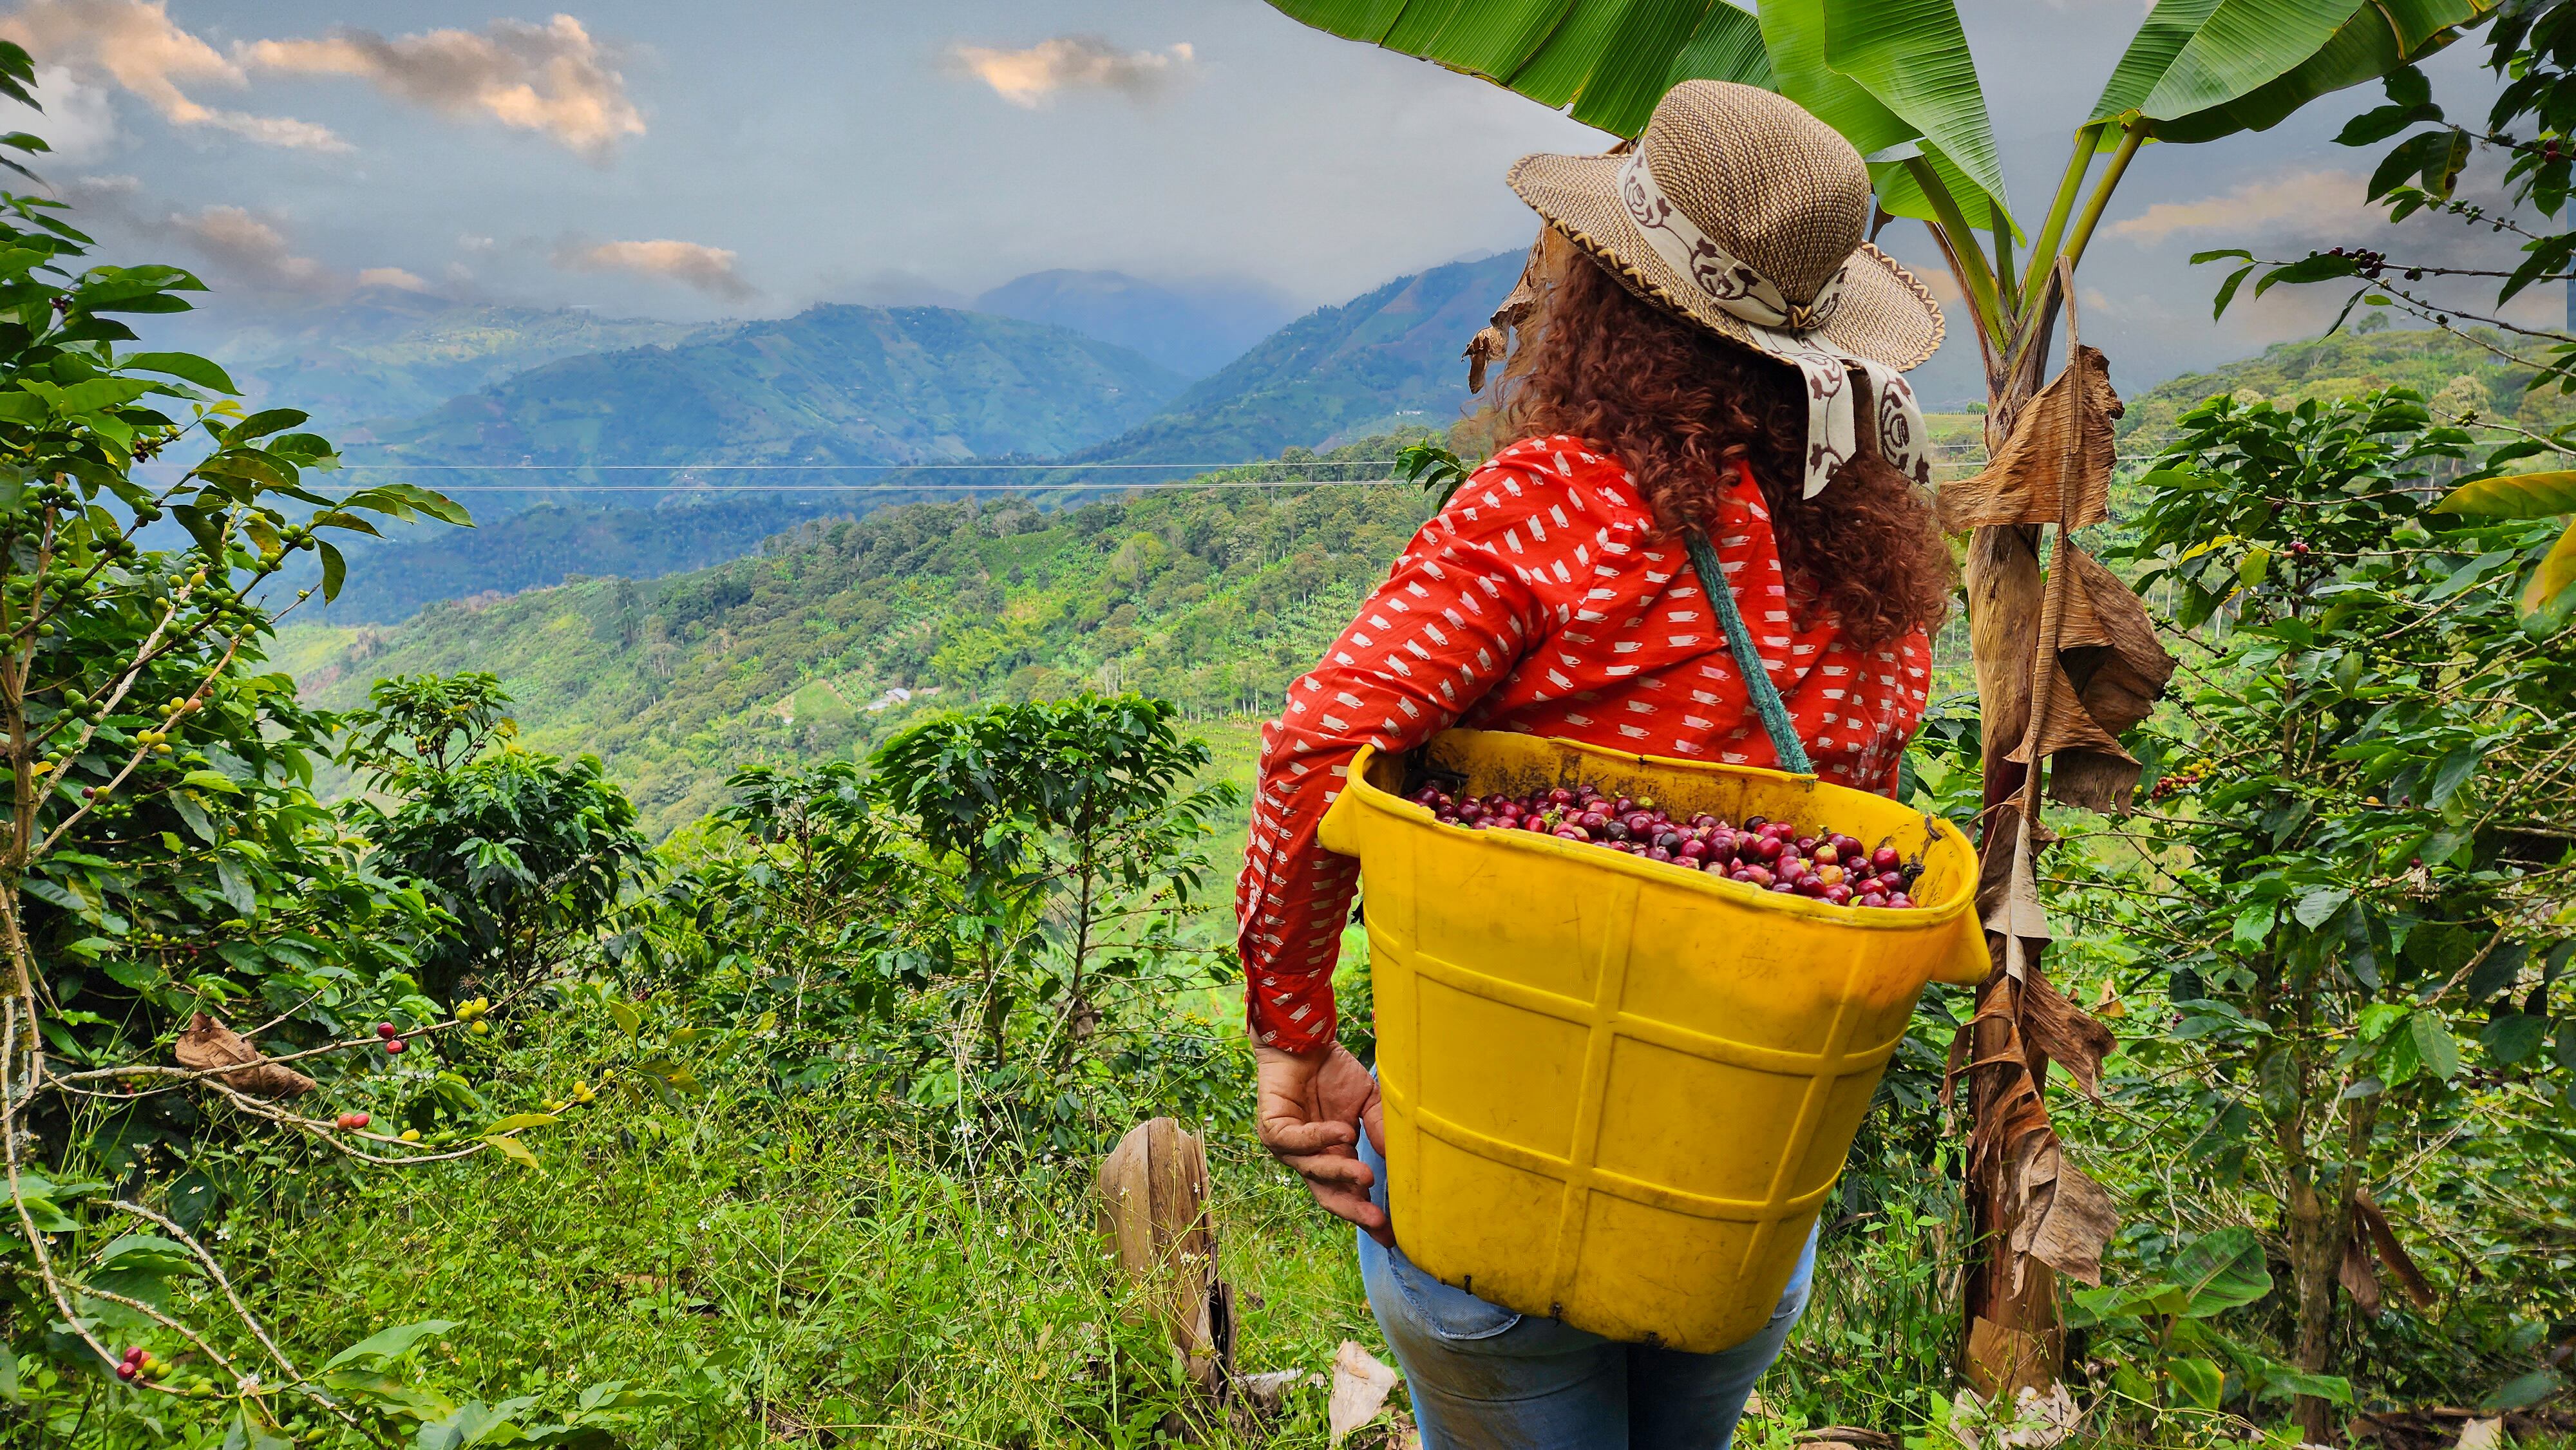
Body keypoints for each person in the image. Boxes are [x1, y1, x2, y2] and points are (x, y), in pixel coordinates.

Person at [1235, 81, 1957, 1449]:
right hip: (1727, 1204)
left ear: (1613, 301)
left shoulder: (1554, 505)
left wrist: (1296, 1038)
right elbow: (1851, 832)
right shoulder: (1869, 566)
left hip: (1492, 1167)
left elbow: (1320, 746)